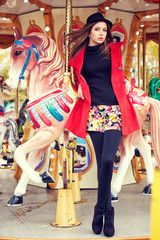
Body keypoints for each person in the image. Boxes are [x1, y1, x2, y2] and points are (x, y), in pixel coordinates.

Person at [65, 12, 139, 237]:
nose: (101, 34)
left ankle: (102, 209)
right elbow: (72, 77)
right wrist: (77, 84)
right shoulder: (78, 55)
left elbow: (119, 74)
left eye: (104, 30)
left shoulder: (113, 50)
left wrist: (126, 81)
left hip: (115, 110)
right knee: (102, 164)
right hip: (93, 112)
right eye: (97, 29)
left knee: (109, 159)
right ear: (89, 31)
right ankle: (106, 210)